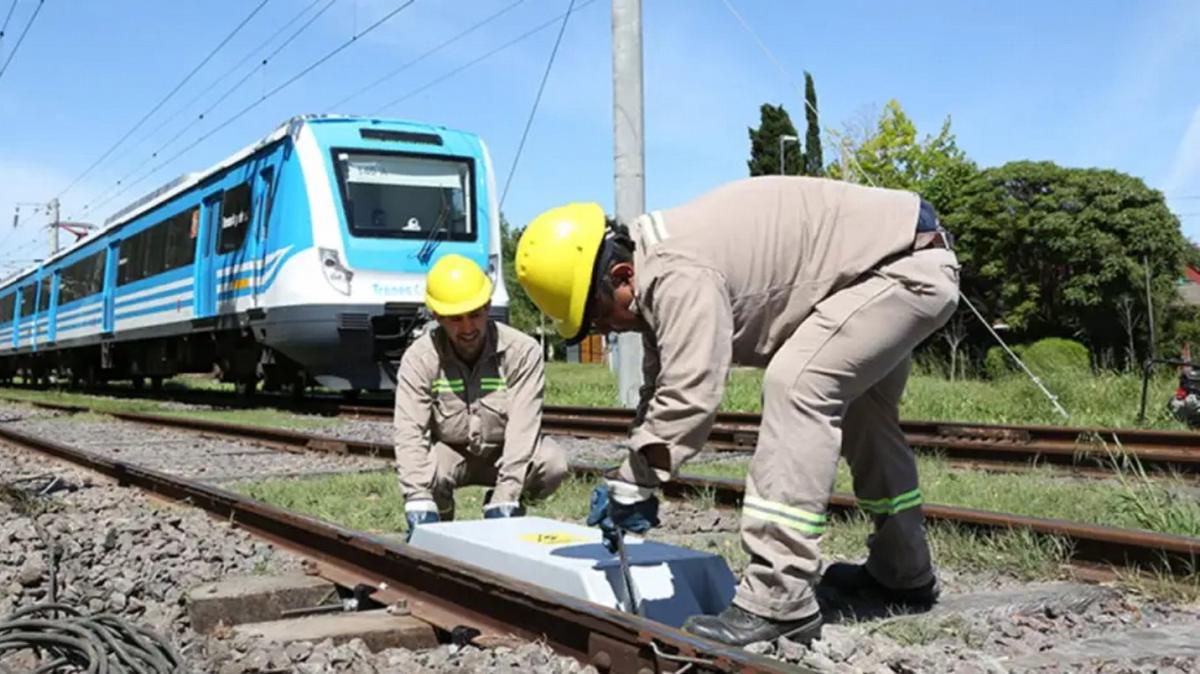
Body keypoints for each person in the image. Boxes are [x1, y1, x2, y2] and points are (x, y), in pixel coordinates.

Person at [514, 176, 960, 646]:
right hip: (893, 263)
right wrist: (630, 473)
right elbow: (661, 387)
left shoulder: (675, 273)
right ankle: (903, 570)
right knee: (867, 418)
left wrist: (637, 480)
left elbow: (691, 392)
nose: (607, 330)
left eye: (601, 316)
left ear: (622, 276)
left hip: (901, 268)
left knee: (798, 385)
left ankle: (779, 597)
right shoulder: (656, 269)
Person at [395, 253, 567, 538]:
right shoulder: (420, 358)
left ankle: (508, 511)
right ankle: (440, 524)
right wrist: (417, 497)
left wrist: (507, 493)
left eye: (475, 315)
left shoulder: (522, 352)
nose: (467, 328)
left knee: (551, 462)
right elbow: (410, 429)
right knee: (426, 472)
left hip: (504, 453)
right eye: (455, 319)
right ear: (437, 316)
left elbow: (524, 426)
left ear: (488, 307)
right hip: (450, 453)